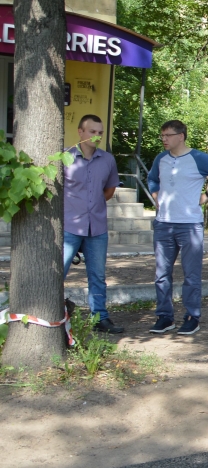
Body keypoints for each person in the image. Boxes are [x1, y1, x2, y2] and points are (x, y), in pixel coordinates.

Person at [146, 120, 208, 335]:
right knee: (161, 274)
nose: (164, 139)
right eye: (162, 135)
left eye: (168, 135)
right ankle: (164, 317)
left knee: (191, 275)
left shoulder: (198, 158)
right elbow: (152, 179)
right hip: (163, 224)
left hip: (189, 225)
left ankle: (191, 316)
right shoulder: (161, 159)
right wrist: (156, 195)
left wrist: (206, 196)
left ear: (181, 136)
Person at [62, 114, 123, 334]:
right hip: (70, 225)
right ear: (80, 132)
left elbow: (109, 189)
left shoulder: (107, 159)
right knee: (59, 271)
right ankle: (54, 315)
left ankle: (100, 319)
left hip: (96, 226)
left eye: (100, 132)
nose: (96, 136)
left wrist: (92, 205)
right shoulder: (65, 157)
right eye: (91, 131)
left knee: (97, 275)